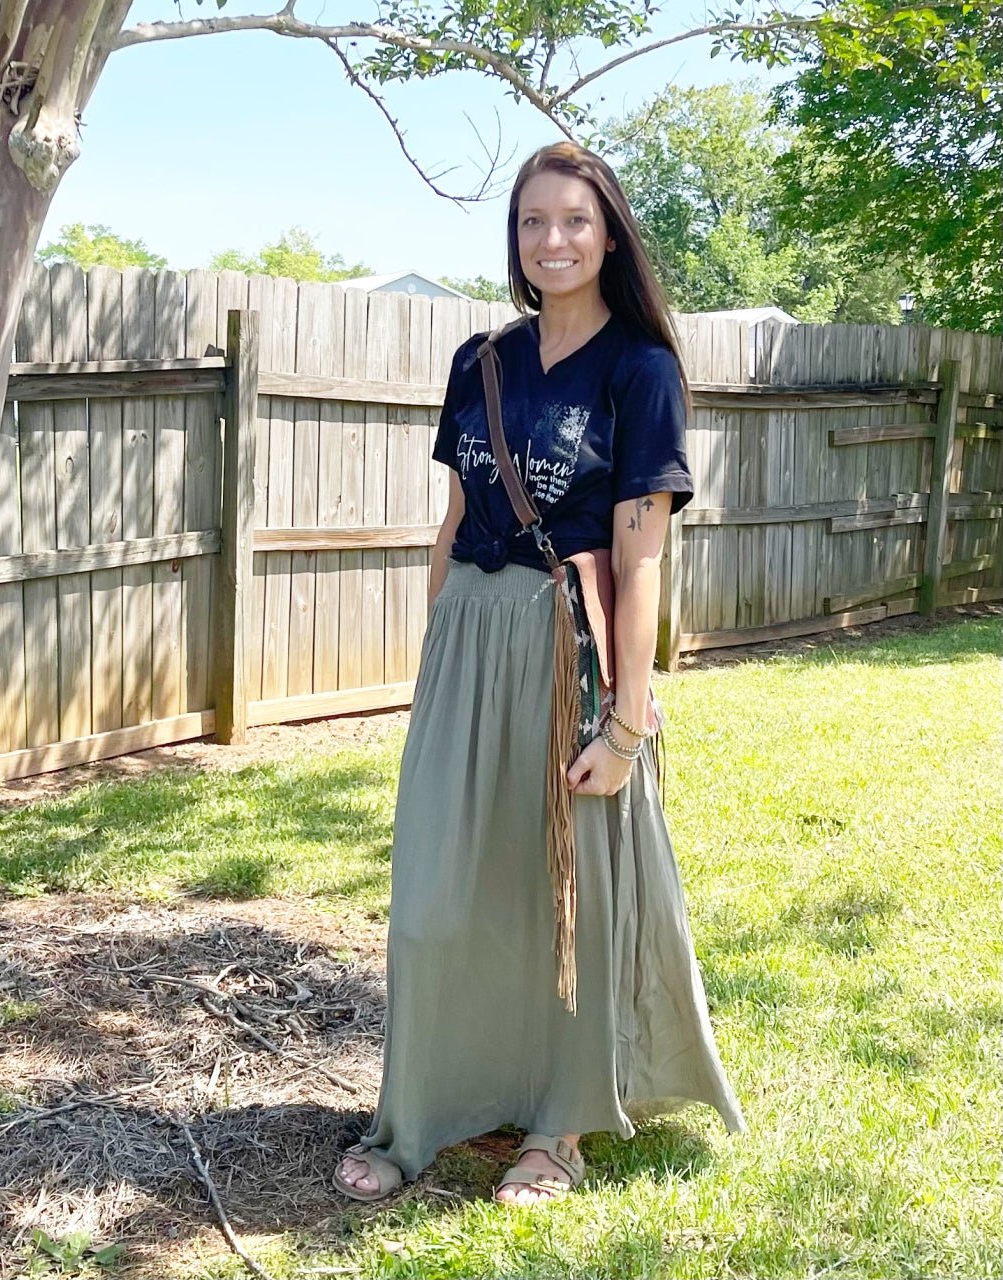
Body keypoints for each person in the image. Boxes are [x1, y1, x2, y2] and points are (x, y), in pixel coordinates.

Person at [332, 141, 746, 1207]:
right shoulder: (483, 362)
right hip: (469, 637)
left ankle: (558, 1123)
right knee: (436, 889)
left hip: (567, 640)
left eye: (573, 220)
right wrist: (436, 651)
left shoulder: (640, 369)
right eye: (531, 222)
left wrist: (626, 721)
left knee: (571, 885)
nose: (551, 241)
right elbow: (459, 516)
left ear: (609, 233)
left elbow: (641, 549)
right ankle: (417, 1110)